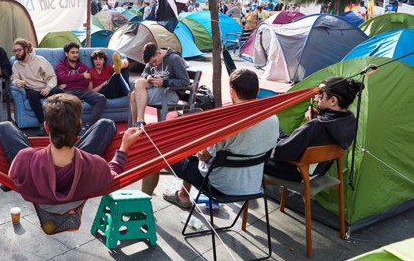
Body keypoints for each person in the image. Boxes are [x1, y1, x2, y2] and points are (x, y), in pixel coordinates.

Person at [155, 69, 280, 204]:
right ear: (258, 90)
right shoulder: (272, 117)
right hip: (252, 186)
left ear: (232, 91)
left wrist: (202, 151)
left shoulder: (228, 123)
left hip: (220, 185)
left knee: (156, 154)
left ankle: (142, 208)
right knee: (196, 157)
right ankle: (182, 195)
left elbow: (206, 156)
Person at [0, 93, 142, 204]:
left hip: (34, 174)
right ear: (79, 128)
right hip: (82, 174)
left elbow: (12, 177)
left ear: (46, 127)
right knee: (107, 123)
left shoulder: (23, 158)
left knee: (3, 127)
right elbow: (114, 175)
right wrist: (123, 147)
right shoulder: (95, 164)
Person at [264, 77, 364, 182]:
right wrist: (313, 121)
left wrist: (310, 124)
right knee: (275, 129)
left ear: (333, 100)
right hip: (318, 170)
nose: (316, 98)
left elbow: (280, 152)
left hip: (297, 171)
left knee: (253, 153)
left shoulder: (317, 125)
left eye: (320, 94)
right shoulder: (350, 120)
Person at [10, 38, 63, 136]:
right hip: (31, 89)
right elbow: (14, 79)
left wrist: (48, 88)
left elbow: (52, 76)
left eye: (19, 50)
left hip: (44, 88)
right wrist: (18, 82)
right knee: (32, 95)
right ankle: (42, 123)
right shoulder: (16, 65)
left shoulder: (39, 60)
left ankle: (58, 123)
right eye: (15, 51)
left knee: (59, 91)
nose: (16, 53)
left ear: (26, 49)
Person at [130, 43, 190, 128]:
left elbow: (185, 81)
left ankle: (137, 125)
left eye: (154, 61)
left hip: (171, 93)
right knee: (139, 83)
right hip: (157, 89)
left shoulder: (175, 59)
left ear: (158, 53)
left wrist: (164, 82)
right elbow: (145, 73)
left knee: (134, 96)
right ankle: (138, 123)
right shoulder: (152, 59)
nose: (154, 65)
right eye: (152, 63)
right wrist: (148, 76)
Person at [56, 42, 106, 132]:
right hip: (68, 91)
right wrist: (81, 76)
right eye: (72, 52)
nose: (75, 55)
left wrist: (71, 80)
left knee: (101, 98)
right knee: (68, 103)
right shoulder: (61, 66)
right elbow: (63, 78)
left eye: (77, 52)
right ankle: (72, 129)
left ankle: (89, 126)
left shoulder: (82, 66)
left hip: (83, 91)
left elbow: (87, 80)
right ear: (66, 54)